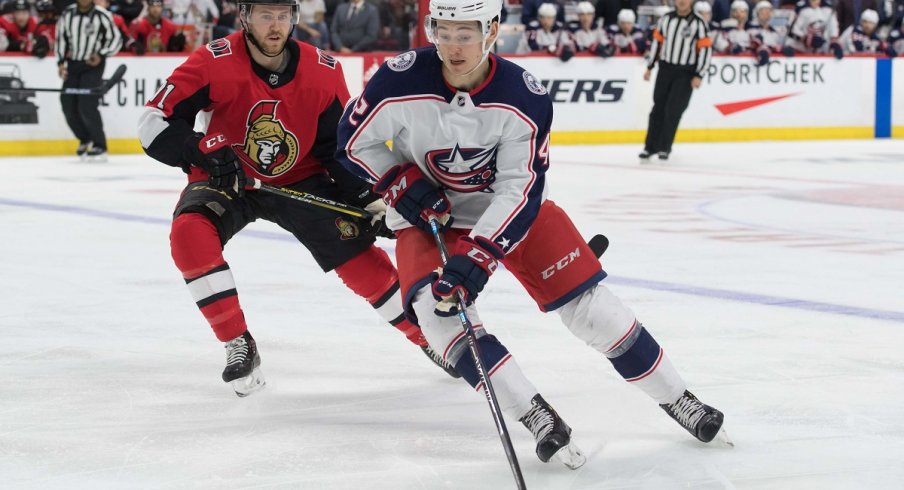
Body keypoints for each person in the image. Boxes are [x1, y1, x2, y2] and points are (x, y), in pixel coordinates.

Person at [336, 0, 727, 468]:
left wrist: (480, 257)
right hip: (429, 216)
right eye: (444, 32)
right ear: (430, 29)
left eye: (467, 34)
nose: (454, 46)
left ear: (493, 30)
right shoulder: (397, 79)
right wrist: (400, 181)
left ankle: (679, 398)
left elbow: (518, 189)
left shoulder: (524, 95)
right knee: (438, 320)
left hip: (507, 211)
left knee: (593, 310)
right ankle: (535, 414)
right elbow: (351, 141)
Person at [137, 0, 457, 397]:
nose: (275, 26)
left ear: (294, 17)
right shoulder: (212, 61)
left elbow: (339, 148)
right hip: (229, 177)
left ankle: (428, 336)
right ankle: (238, 342)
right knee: (189, 235)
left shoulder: (323, 71)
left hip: (303, 179)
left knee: (361, 262)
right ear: (244, 17)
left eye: (282, 16)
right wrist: (200, 150)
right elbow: (154, 120)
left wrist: (367, 199)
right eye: (264, 15)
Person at [639, 0, 712, 162]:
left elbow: (705, 50)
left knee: (673, 110)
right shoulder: (666, 19)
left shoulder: (699, 23)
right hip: (665, 69)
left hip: (686, 72)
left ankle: (664, 147)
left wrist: (699, 74)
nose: (682, 1)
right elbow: (657, 44)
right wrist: (650, 67)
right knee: (658, 108)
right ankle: (649, 147)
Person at [56, 0, 122, 160]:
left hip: (93, 63)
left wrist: (101, 54)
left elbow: (116, 40)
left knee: (87, 104)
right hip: (73, 64)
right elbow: (61, 39)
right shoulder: (68, 13)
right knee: (67, 103)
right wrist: (60, 62)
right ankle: (85, 139)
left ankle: (100, 144)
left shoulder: (102, 15)